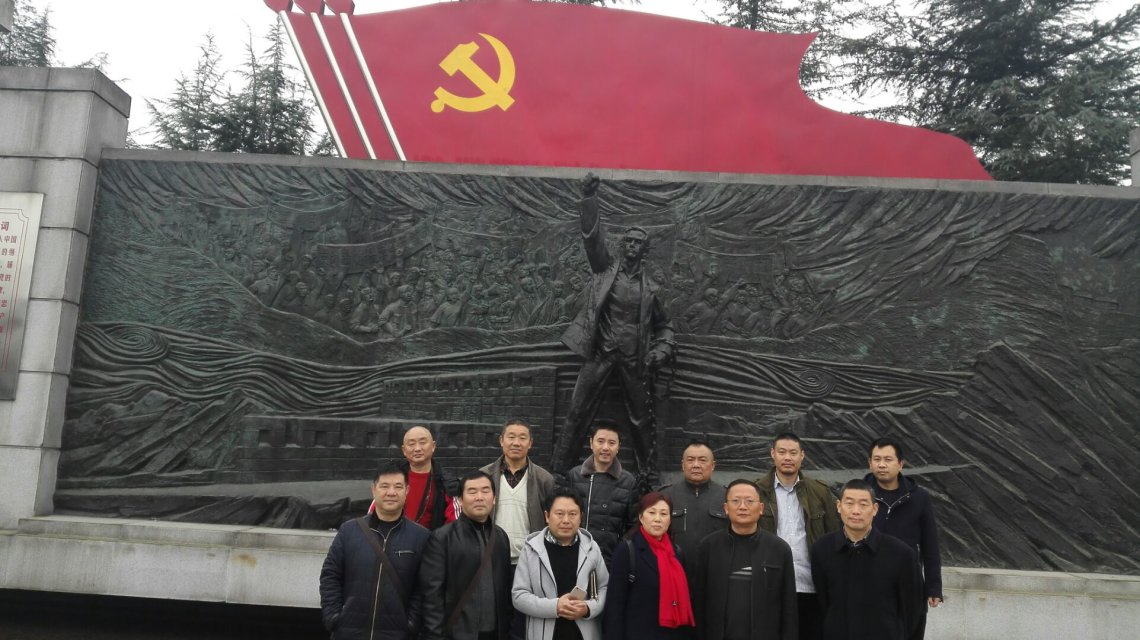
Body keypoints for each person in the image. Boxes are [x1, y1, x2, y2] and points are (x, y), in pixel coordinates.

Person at [552, 175, 676, 485]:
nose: (632, 246)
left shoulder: (652, 289)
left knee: (641, 419)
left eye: (638, 243)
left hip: (634, 360)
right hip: (601, 353)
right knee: (577, 411)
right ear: (623, 245)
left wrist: (661, 351)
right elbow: (591, 237)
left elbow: (664, 326)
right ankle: (558, 471)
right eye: (629, 241)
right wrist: (589, 198)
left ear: (645, 250)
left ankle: (649, 478)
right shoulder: (606, 270)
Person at [319, 462, 431, 640]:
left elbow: (424, 586)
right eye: (385, 486)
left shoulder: (421, 537)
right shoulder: (350, 530)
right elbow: (330, 575)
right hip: (349, 632)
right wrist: (334, 617)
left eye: (398, 486)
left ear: (407, 491)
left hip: (397, 634)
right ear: (374, 489)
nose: (391, 492)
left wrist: (411, 623)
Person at [810, 480, 920, 640]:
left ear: (875, 509)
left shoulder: (901, 554)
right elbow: (822, 602)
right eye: (849, 503)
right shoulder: (822, 549)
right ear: (839, 506)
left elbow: (911, 610)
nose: (856, 511)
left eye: (863, 504)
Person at [755, 432, 840, 640]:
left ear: (802, 455)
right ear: (772, 454)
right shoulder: (756, 491)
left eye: (793, 453)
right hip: (769, 585)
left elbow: (833, 536)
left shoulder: (820, 492)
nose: (787, 457)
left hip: (810, 585)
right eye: (782, 452)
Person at [689, 479, 797, 640]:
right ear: (726, 508)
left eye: (749, 501)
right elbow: (699, 602)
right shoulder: (709, 547)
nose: (742, 507)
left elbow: (789, 607)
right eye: (736, 501)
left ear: (761, 508)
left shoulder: (779, 549)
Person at [864, 437, 944, 640]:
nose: (882, 465)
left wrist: (933, 586)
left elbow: (930, 545)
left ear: (900, 464)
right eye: (877, 459)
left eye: (888, 459)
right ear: (870, 463)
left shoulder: (919, 497)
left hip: (909, 584)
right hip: (868, 584)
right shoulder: (859, 495)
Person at [420, 470, 514, 640]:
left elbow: (506, 590)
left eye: (485, 491)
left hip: (496, 633)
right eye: (472, 492)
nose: (479, 497)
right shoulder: (443, 538)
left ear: (494, 498)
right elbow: (432, 595)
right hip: (457, 633)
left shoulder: (501, 537)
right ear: (460, 500)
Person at [512, 490, 611, 640]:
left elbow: (604, 587)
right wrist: (556, 606)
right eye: (559, 514)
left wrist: (588, 608)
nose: (566, 520)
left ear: (581, 517)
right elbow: (519, 596)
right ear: (547, 516)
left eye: (572, 514)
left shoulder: (591, 548)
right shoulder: (531, 550)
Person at [603, 492, 694, 640]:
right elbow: (614, 606)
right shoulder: (627, 551)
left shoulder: (676, 553)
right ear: (641, 517)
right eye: (652, 513)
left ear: (670, 520)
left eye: (663, 514)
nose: (657, 519)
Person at [479, 419, 556, 563]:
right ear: (501, 441)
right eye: (511, 437)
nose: (516, 443)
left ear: (530, 443)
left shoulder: (544, 480)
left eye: (522, 438)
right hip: (491, 558)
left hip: (530, 559)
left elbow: (551, 522)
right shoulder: (484, 476)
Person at [565, 423, 638, 563]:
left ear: (618, 447)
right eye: (600, 441)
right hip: (575, 555)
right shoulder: (575, 476)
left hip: (610, 559)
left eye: (611, 443)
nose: (605, 447)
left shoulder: (628, 482)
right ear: (591, 443)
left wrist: (620, 549)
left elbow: (633, 525)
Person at [382, 425, 456, 529]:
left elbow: (453, 526)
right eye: (411, 444)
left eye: (422, 442)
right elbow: (376, 511)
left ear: (433, 446)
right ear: (404, 450)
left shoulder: (448, 484)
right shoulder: (390, 476)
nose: (417, 448)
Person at [659, 441, 727, 553]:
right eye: (690, 460)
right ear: (683, 465)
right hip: (675, 562)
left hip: (715, 561)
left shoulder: (726, 496)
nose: (696, 465)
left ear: (713, 465)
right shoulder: (665, 496)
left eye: (702, 460)